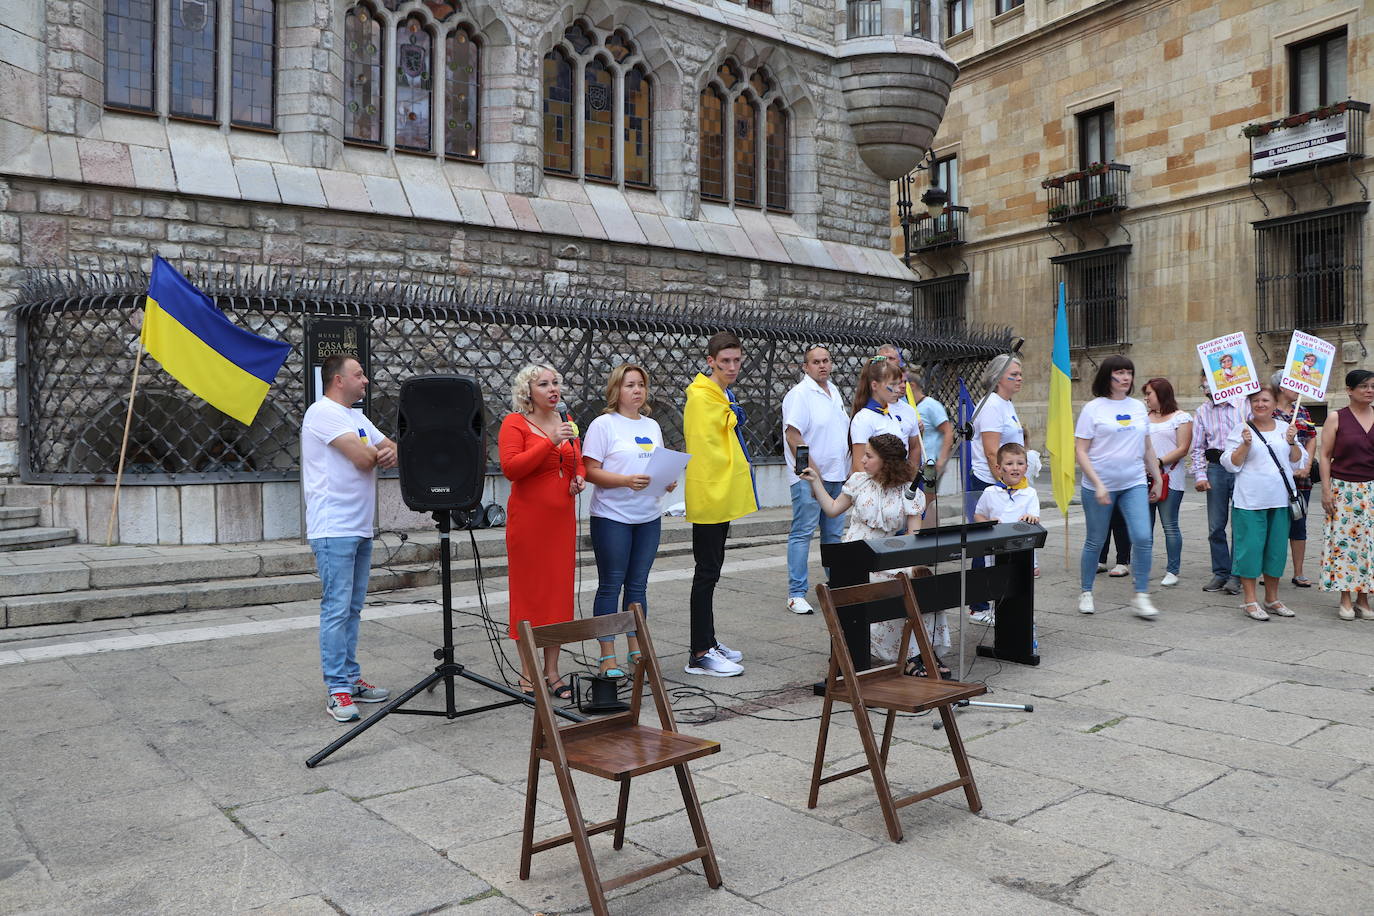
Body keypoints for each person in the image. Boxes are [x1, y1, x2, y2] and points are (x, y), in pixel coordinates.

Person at [302, 354, 398, 723]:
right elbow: (363, 458)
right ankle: (336, 689)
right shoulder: (323, 412)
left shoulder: (357, 417)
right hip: (334, 528)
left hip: (359, 527)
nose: (366, 381)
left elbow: (391, 447)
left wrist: (383, 451)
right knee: (337, 608)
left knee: (353, 608)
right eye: (359, 375)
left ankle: (351, 677)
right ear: (338, 380)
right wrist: (379, 453)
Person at [801, 434, 947, 674]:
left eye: (869, 455)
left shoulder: (907, 491)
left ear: (886, 462)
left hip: (885, 555)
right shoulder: (859, 481)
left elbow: (914, 538)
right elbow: (832, 510)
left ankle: (922, 651)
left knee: (923, 585)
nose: (863, 459)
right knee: (900, 587)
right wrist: (815, 481)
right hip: (852, 556)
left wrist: (912, 566)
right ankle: (914, 656)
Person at [499, 364, 586, 699]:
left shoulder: (566, 422)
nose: (553, 389)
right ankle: (528, 671)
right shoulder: (515, 423)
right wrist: (549, 441)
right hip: (530, 523)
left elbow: (576, 459)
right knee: (530, 596)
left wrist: (579, 476)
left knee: (558, 596)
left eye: (556, 382)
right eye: (544, 384)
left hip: (561, 522)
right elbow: (512, 469)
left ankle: (552, 670)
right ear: (528, 392)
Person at [583, 364, 671, 677]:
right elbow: (590, 471)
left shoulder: (651, 426)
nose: (637, 390)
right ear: (616, 390)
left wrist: (666, 480)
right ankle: (607, 655)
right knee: (611, 583)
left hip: (648, 516)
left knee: (638, 585)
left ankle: (636, 647)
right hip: (612, 516)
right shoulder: (603, 425)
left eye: (641, 385)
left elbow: (656, 466)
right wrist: (624, 481)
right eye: (630, 385)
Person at [683, 331, 757, 676]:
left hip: (719, 492)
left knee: (712, 572)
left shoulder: (721, 394)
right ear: (710, 361)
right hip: (709, 493)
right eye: (724, 361)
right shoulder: (703, 397)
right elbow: (707, 446)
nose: (731, 367)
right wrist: (731, 416)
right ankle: (699, 652)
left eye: (736, 361)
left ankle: (708, 640)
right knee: (706, 573)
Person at [1075, 355, 1163, 618]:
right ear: (1107, 376)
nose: (1126, 378)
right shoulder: (1093, 408)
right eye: (1120, 373)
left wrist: (1156, 477)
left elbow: (1146, 446)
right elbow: (1080, 451)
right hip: (1098, 486)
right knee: (1095, 540)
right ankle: (1086, 591)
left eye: (1129, 373)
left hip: (1133, 482)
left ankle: (1141, 594)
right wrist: (1099, 484)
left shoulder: (1137, 407)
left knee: (1143, 537)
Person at [1222, 385, 1301, 621]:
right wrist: (1244, 445)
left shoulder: (1286, 428)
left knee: (1276, 551)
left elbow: (1297, 463)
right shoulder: (1241, 429)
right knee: (1250, 550)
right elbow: (1230, 463)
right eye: (1255, 401)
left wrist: (1293, 442)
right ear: (1250, 405)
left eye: (1265, 400)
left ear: (1275, 404)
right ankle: (1249, 600)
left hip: (1279, 499)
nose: (1260, 404)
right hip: (1249, 500)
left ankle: (1272, 598)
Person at [782, 345, 850, 615]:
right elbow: (792, 435)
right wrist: (809, 473)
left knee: (833, 536)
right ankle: (796, 593)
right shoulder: (800, 395)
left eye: (826, 360)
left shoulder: (834, 392)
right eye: (815, 362)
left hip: (837, 475)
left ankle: (836, 585)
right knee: (803, 532)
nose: (822, 365)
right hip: (810, 478)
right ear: (805, 367)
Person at [1318, 369, 1374, 620]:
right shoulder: (1336, 417)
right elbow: (1325, 455)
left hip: (1371, 489)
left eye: (1372, 386)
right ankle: (1345, 597)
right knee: (1344, 544)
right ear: (1349, 390)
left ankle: (1364, 598)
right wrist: (1326, 490)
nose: (1369, 390)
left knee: (1369, 546)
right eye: (1363, 386)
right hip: (1344, 489)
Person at [1191, 370, 1250, 595]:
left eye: (1209, 383)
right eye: (1203, 384)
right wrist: (1200, 475)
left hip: (1242, 467)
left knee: (1241, 523)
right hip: (1216, 468)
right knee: (1216, 525)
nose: (1206, 388)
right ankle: (1220, 572)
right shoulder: (1202, 411)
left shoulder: (1244, 405)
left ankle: (1237, 574)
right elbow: (1197, 447)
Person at [973, 443, 1041, 626]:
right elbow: (978, 514)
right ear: (998, 468)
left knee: (1021, 583)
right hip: (995, 549)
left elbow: (1036, 517)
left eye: (1020, 463)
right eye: (1010, 463)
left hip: (1022, 550)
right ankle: (996, 613)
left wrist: (1031, 518)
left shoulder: (1030, 494)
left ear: (1026, 467)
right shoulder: (990, 492)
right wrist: (987, 523)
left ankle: (1024, 613)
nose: (1015, 468)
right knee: (996, 582)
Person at [1143, 377, 1192, 587]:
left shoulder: (1181, 418)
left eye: (1149, 394)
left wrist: (1159, 462)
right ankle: (1142, 567)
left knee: (1169, 525)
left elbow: (1183, 448)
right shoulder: (1144, 417)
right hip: (1143, 477)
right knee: (1144, 527)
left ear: (1161, 394)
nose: (1146, 398)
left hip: (1170, 477)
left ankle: (1173, 569)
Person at [1271, 374, 1318, 588]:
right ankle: (1270, 570)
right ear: (1281, 387)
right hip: (1276, 478)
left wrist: (1306, 467)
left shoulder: (1303, 410)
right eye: (1293, 384)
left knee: (1299, 524)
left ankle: (1298, 572)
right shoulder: (1268, 411)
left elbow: (1311, 437)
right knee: (1274, 524)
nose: (1298, 388)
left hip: (1300, 479)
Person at [849, 357, 911, 472]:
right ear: (875, 386)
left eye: (898, 384)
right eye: (892, 385)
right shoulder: (863, 419)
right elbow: (859, 467)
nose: (897, 390)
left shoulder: (889, 414)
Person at [907, 371, 953, 527]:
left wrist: (942, 460)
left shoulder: (931, 405)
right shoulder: (909, 406)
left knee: (928, 500)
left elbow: (947, 431)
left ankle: (930, 532)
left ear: (911, 386)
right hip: (917, 463)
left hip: (929, 463)